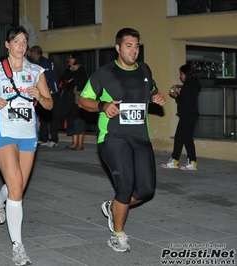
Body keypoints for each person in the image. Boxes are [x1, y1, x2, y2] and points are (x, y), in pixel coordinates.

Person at [0, 26, 53, 266]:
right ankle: (18, 247)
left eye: (24, 41)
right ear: (7, 45)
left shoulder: (37, 71)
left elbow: (49, 105)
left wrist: (39, 96)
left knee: (17, 188)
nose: (21, 46)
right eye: (16, 41)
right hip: (3, 133)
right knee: (16, 188)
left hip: (28, 135)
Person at [78, 28, 165, 252]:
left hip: (140, 137)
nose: (133, 50)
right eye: (128, 46)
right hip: (113, 137)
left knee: (146, 189)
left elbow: (152, 88)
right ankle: (118, 234)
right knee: (125, 185)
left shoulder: (144, 69)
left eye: (136, 46)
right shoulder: (104, 73)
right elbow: (83, 100)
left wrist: (156, 95)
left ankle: (114, 206)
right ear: (118, 48)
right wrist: (103, 106)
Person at [161, 64, 200, 170]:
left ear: (186, 74)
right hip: (191, 115)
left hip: (188, 115)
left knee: (179, 138)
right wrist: (179, 94)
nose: (180, 76)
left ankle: (174, 161)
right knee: (187, 139)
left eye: (181, 74)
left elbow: (185, 100)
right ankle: (192, 162)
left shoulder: (189, 85)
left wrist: (177, 95)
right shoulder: (192, 85)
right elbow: (188, 99)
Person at [28, 45, 59, 147]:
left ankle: (54, 139)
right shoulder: (36, 63)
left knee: (52, 116)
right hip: (40, 94)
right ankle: (43, 138)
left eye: (31, 52)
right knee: (43, 117)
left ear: (34, 53)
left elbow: (50, 78)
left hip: (51, 93)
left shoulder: (44, 62)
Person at [58, 51, 88, 150]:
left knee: (79, 120)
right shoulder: (68, 70)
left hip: (79, 99)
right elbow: (62, 81)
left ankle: (80, 144)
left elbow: (75, 82)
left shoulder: (81, 69)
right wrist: (69, 82)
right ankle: (74, 143)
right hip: (69, 100)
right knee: (71, 119)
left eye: (70, 57)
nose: (68, 59)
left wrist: (69, 82)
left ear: (75, 59)